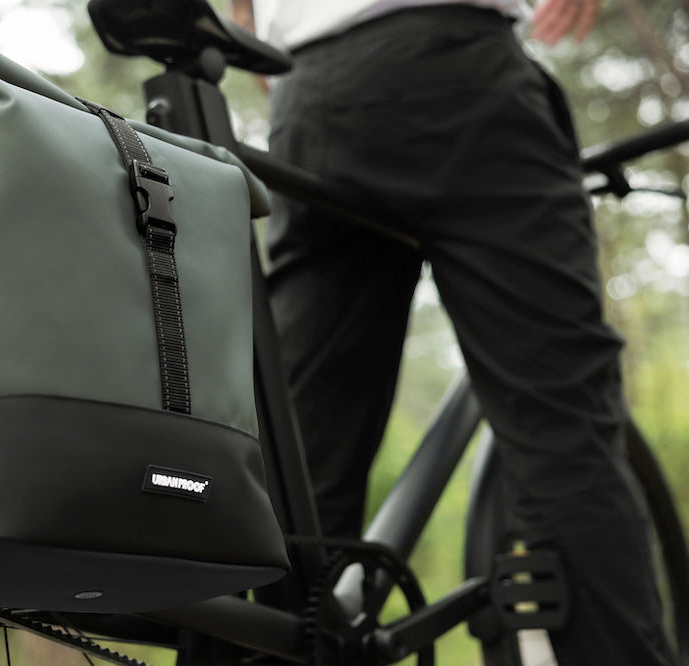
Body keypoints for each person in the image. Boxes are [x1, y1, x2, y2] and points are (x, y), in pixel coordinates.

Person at [232, 0, 676, 664]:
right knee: (560, 428)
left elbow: (242, 17)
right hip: (459, 69)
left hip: (312, 95)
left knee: (303, 453)